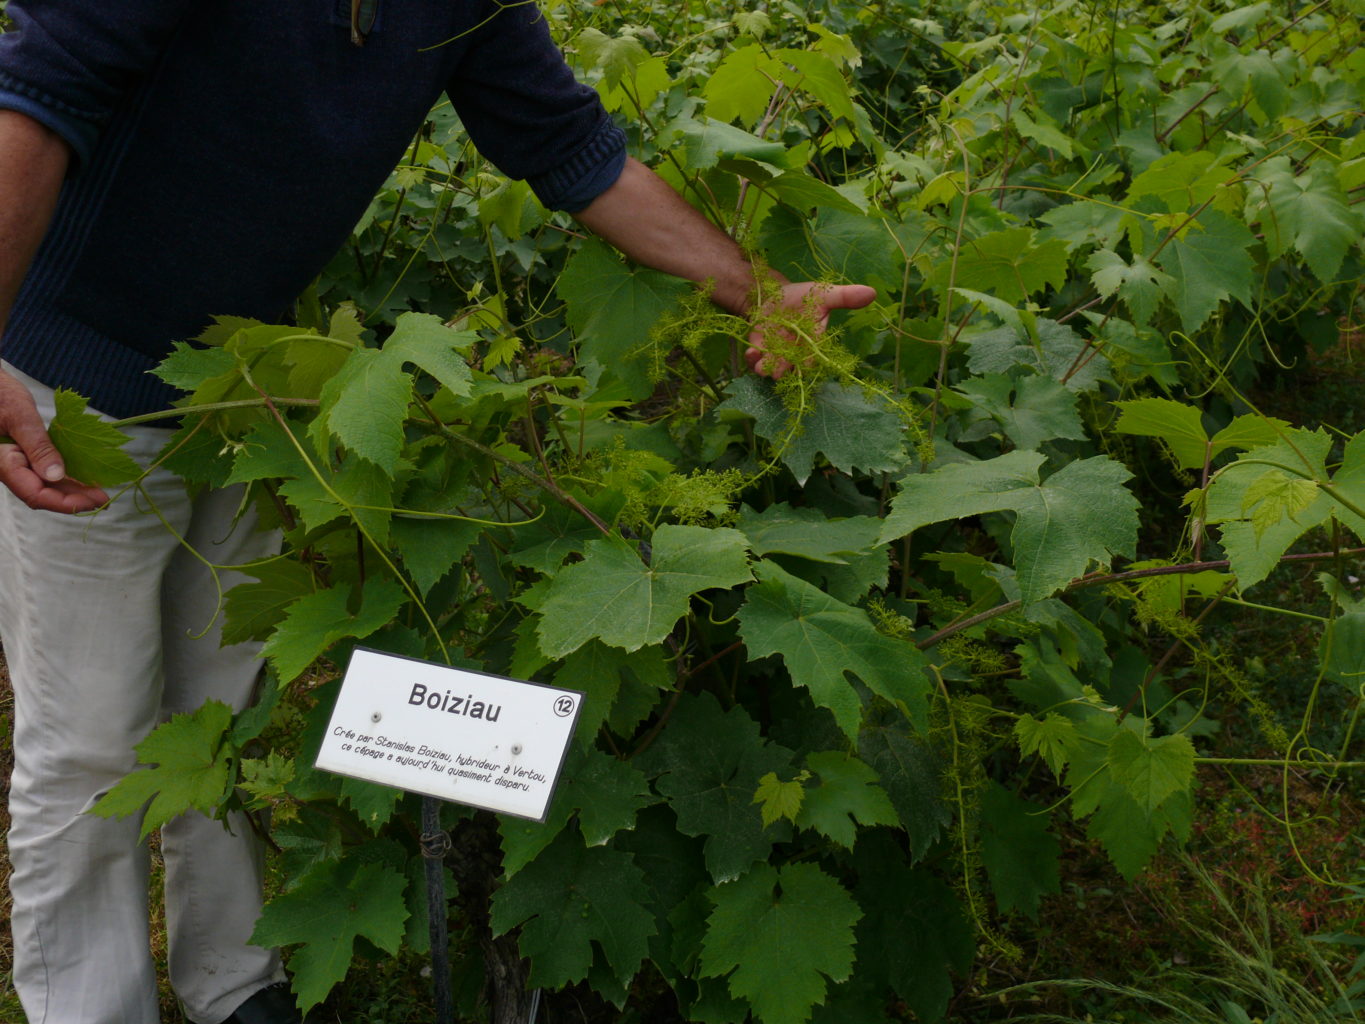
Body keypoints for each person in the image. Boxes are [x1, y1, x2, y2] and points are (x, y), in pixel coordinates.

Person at [0, 3, 876, 1023]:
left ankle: (233, 980)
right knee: (93, 737)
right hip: (75, 378)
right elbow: (37, 98)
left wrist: (757, 290)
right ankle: (90, 1006)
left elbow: (569, 146)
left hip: (239, 382)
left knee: (221, 706)